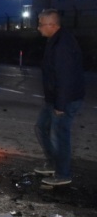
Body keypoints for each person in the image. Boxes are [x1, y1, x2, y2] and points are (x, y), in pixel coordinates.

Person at [34, 9, 85, 186]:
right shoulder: (54, 40)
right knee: (41, 127)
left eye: (41, 24)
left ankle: (63, 174)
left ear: (53, 25)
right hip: (54, 98)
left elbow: (65, 76)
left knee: (60, 135)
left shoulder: (62, 44)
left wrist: (60, 105)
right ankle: (52, 163)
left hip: (65, 100)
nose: (38, 27)